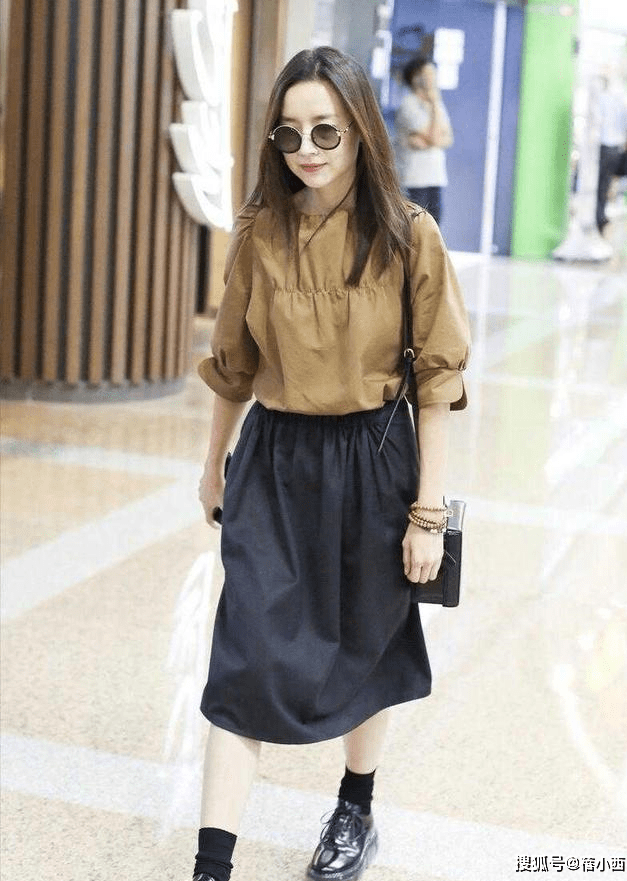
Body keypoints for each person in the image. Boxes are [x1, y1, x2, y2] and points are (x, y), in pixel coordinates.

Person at [192, 46, 470, 881]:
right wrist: (213, 465)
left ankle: (356, 806)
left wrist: (427, 514)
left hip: (373, 462)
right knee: (245, 653)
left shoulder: (409, 235)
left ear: (360, 130)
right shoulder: (260, 234)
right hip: (274, 461)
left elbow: (437, 383)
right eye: (288, 134)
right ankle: (211, 865)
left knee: (366, 649)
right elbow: (234, 364)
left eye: (325, 131)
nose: (306, 149)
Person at [394, 57, 453, 226]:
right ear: (415, 78)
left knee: (435, 226)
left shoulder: (437, 105)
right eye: (427, 74)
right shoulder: (409, 104)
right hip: (415, 180)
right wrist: (434, 105)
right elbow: (435, 137)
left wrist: (433, 140)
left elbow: (448, 138)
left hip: (435, 177)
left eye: (433, 73)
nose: (433, 78)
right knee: (416, 228)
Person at [595, 74, 627, 234]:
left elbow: (597, 123)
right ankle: (600, 215)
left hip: (604, 147)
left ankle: (598, 216)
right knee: (606, 182)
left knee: (600, 183)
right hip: (616, 149)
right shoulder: (623, 101)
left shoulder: (603, 100)